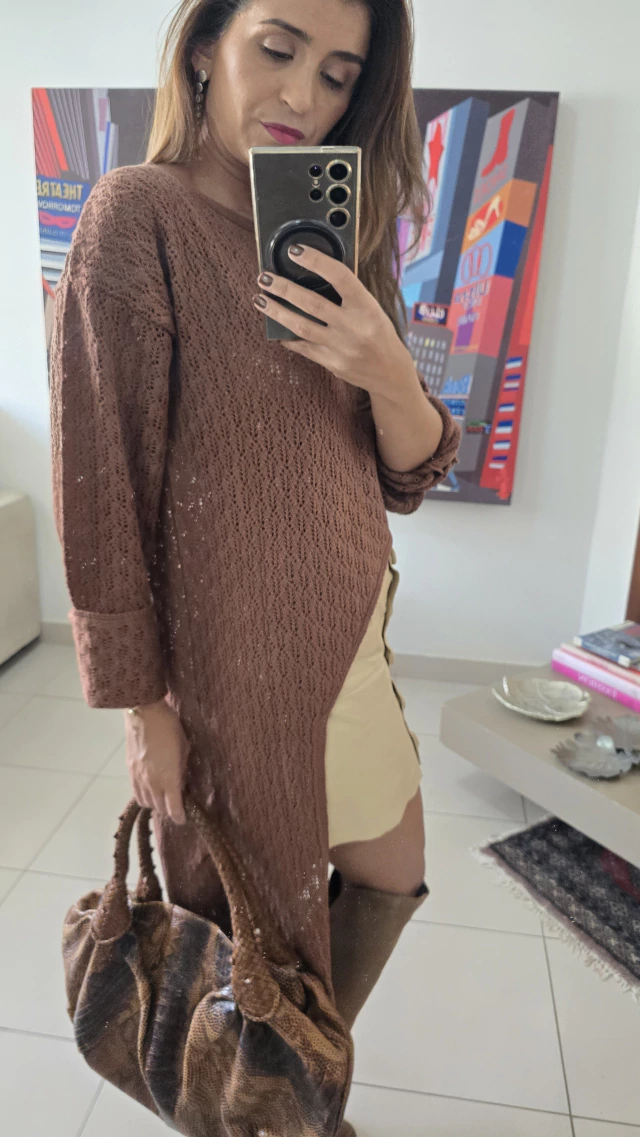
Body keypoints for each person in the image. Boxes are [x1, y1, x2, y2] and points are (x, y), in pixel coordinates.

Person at [49, 0, 460, 1131]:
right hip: (237, 667)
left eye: (338, 73)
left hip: (354, 643)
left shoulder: (340, 235)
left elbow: (408, 471)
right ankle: (271, 1102)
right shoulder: (137, 216)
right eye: (277, 49)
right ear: (203, 47)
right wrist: (145, 707)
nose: (302, 96)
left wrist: (385, 366)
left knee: (391, 868)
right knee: (255, 927)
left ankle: (284, 1087)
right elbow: (100, 487)